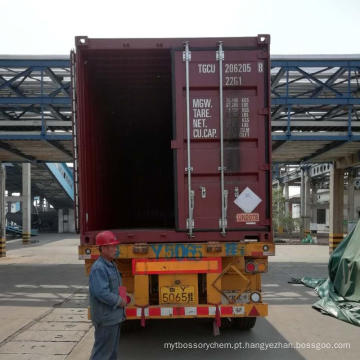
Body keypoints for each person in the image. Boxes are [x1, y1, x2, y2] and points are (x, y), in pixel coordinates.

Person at [89, 230, 126, 360]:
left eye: (116, 246)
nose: (116, 249)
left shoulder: (111, 264)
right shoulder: (99, 268)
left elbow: (116, 285)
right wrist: (119, 301)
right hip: (106, 319)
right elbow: (101, 293)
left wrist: (124, 297)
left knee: (111, 353)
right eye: (113, 246)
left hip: (114, 317)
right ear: (103, 248)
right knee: (102, 354)